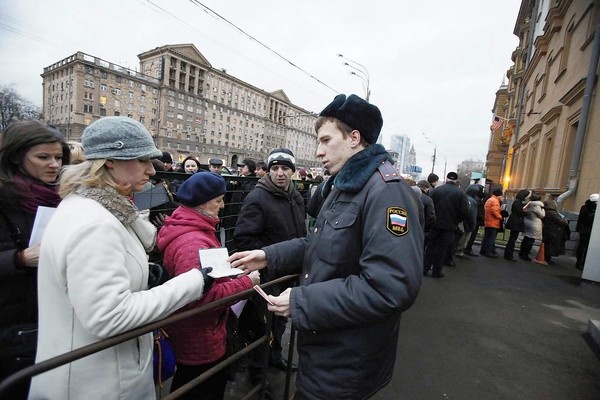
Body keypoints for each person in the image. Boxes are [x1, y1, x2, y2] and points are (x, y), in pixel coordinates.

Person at [228, 94, 423, 400]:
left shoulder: (386, 192)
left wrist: (302, 301)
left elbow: (391, 286)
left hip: (348, 358)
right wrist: (268, 255)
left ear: (354, 138)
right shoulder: (343, 185)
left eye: (326, 140)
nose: (318, 151)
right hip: (325, 348)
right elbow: (317, 243)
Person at [29, 117, 213, 400]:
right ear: (110, 162)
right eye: (142, 160)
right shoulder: (94, 223)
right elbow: (110, 316)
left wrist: (144, 272)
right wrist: (193, 282)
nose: (152, 170)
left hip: (105, 373)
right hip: (98, 384)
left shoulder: (97, 209)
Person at [157, 171, 260, 400]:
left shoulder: (193, 229)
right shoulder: (193, 242)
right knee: (203, 388)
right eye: (218, 201)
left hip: (198, 332)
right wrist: (246, 283)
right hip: (200, 337)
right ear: (203, 203)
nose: (222, 206)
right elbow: (202, 297)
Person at [0, 120, 70, 399]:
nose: (54, 165)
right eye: (43, 157)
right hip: (11, 323)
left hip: (47, 312)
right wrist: (18, 259)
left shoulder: (59, 195)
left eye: (58, 157)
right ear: (16, 157)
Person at [233, 148, 306, 386]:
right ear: (268, 171)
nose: (280, 173)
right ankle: (258, 377)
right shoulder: (258, 197)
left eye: (285, 168)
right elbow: (244, 239)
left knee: (281, 321)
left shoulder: (295, 196)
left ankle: (275, 358)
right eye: (275, 168)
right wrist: (270, 260)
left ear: (292, 172)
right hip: (268, 276)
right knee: (262, 327)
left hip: (288, 273)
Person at [423, 171, 469, 277]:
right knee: (442, 249)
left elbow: (429, 206)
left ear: (447, 179)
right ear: (456, 180)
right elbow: (464, 211)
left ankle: (424, 269)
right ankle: (436, 272)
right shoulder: (461, 193)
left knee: (430, 247)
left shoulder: (436, 191)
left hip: (435, 224)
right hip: (450, 226)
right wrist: (456, 221)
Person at [504, 189, 531, 261]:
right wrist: (527, 212)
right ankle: (509, 255)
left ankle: (508, 254)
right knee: (512, 240)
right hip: (515, 223)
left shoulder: (518, 202)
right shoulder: (518, 203)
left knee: (512, 239)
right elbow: (521, 212)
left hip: (514, 222)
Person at [540, 199, 570, 264]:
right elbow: (562, 222)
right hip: (553, 231)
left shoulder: (545, 211)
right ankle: (547, 258)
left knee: (546, 244)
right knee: (551, 245)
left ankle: (545, 257)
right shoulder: (553, 213)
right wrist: (565, 220)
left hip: (547, 229)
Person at [519, 194, 545, 261]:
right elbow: (542, 215)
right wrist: (543, 210)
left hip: (527, 222)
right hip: (534, 224)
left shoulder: (529, 204)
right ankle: (525, 254)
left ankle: (521, 252)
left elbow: (524, 210)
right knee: (530, 240)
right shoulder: (537, 206)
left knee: (526, 238)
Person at [455, 184, 479, 258]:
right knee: (464, 238)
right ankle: (459, 251)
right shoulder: (473, 201)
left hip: (461, 221)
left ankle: (456, 250)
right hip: (468, 222)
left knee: (459, 237)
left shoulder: (463, 197)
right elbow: (473, 214)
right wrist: (473, 224)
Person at [575, 193, 598, 269]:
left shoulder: (585, 207)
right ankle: (581, 263)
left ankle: (581, 262)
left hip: (585, 230)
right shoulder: (589, 209)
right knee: (584, 247)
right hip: (586, 230)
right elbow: (587, 219)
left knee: (583, 247)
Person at [480, 189, 504, 258]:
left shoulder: (490, 199)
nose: (502, 197)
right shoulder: (495, 201)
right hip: (493, 222)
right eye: (501, 196)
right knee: (491, 238)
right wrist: (500, 217)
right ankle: (488, 252)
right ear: (499, 195)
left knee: (486, 237)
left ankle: (483, 250)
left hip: (487, 221)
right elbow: (494, 211)